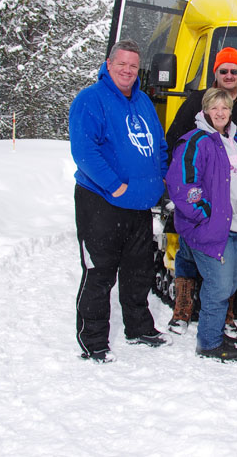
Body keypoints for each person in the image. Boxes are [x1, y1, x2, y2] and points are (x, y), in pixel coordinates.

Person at [69, 39, 171, 363]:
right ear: (109, 65)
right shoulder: (91, 100)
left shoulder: (142, 103)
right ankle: (94, 341)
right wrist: (115, 186)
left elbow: (160, 148)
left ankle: (138, 327)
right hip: (102, 201)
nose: (127, 70)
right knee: (99, 273)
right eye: (121, 64)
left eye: (132, 65)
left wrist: (162, 181)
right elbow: (85, 151)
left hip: (140, 205)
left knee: (137, 272)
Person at [165, 46, 237, 336]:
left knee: (230, 258)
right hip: (203, 190)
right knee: (188, 251)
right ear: (216, 73)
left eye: (235, 71)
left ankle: (226, 313)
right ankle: (182, 310)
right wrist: (178, 185)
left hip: (236, 189)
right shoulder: (197, 100)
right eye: (224, 70)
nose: (229, 75)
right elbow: (175, 140)